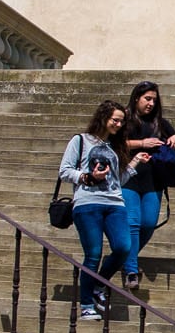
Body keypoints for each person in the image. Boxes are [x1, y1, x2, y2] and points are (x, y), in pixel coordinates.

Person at [59, 100, 141, 321]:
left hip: (115, 204)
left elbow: (116, 181)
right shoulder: (80, 140)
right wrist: (87, 177)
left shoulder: (115, 146)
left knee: (123, 247)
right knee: (93, 254)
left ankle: (98, 284)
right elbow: (64, 171)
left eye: (121, 122)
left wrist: (134, 162)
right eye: (115, 120)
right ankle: (87, 304)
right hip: (87, 203)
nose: (118, 124)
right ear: (103, 117)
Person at [114, 81, 175, 288]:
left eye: (154, 99)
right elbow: (114, 143)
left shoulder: (159, 123)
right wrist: (142, 143)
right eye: (147, 99)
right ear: (137, 98)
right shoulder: (125, 119)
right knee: (133, 223)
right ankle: (131, 270)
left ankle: (125, 256)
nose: (151, 103)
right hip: (129, 178)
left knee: (148, 223)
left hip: (154, 181)